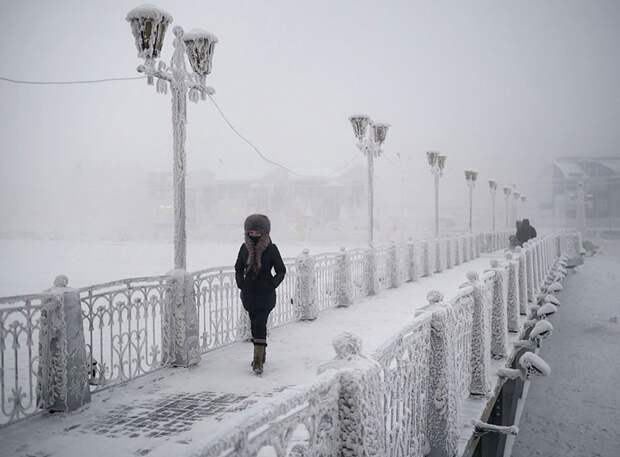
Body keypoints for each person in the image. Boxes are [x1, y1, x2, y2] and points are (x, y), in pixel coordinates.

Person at [234, 214, 286, 375]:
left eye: (257, 232)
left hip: (265, 295)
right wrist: (241, 283)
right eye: (251, 232)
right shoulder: (244, 248)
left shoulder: (271, 249)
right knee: (254, 325)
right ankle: (261, 354)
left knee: (259, 324)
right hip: (249, 294)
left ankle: (257, 361)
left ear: (265, 232)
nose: (254, 235)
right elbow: (238, 267)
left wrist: (271, 284)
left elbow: (281, 270)